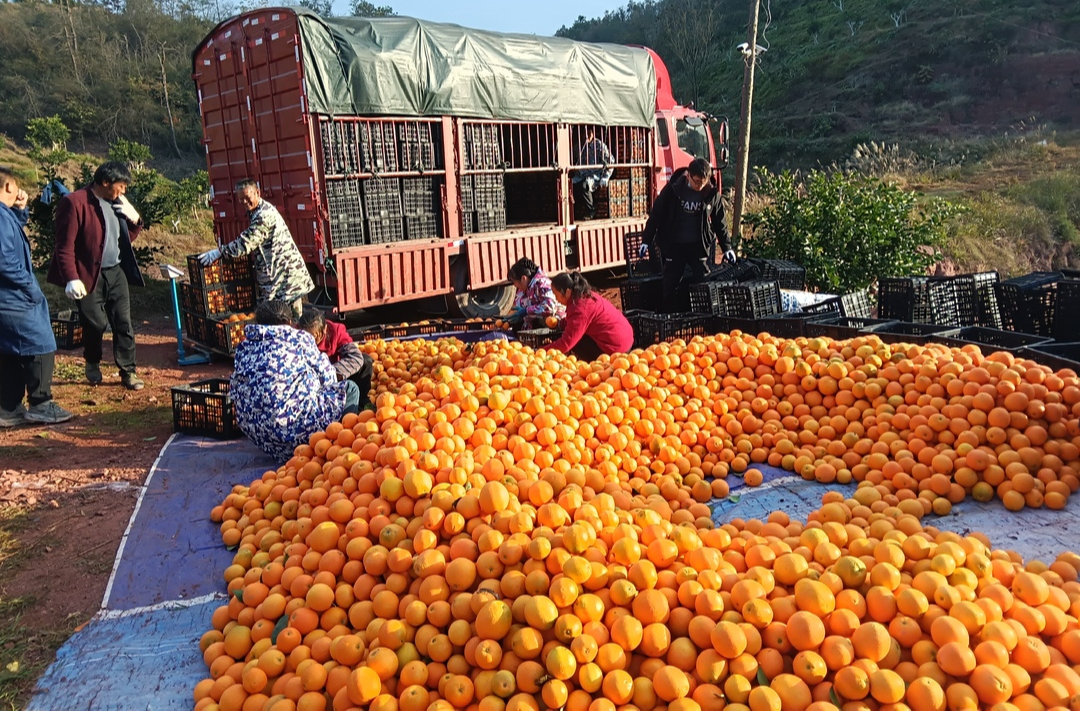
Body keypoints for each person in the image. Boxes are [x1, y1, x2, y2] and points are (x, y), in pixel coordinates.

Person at [48, 161, 146, 390]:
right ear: (105, 182)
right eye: (121, 185)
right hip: (88, 273)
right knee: (95, 323)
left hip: (116, 271)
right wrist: (71, 277)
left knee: (123, 323)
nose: (123, 191)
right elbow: (64, 246)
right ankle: (92, 360)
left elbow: (123, 239)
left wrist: (136, 221)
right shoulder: (75, 203)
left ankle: (128, 371)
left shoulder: (117, 203)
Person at [230, 300, 359, 462]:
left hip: (263, 439)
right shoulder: (299, 339)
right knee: (350, 389)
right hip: (298, 438)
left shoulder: (243, 347)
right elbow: (329, 377)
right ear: (290, 322)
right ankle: (345, 445)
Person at [0, 167, 73, 426]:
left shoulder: (4, 215)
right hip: (14, 296)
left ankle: (8, 406)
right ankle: (41, 402)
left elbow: (10, 233)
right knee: (41, 342)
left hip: (6, 298)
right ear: (8, 186)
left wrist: (21, 210)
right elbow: (4, 259)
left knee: (8, 348)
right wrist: (29, 284)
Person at [198, 179, 314, 319]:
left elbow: (246, 243)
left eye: (247, 198)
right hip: (275, 277)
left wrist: (220, 252)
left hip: (286, 279)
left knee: (288, 320)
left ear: (257, 193)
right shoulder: (255, 212)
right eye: (241, 199)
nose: (244, 202)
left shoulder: (264, 215)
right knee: (276, 317)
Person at [641, 158, 735, 313]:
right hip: (675, 245)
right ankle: (669, 316)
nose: (699, 186)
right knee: (670, 284)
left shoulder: (711, 193)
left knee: (703, 281)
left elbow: (720, 221)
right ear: (688, 175)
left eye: (703, 183)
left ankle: (703, 316)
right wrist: (646, 240)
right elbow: (657, 214)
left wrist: (727, 247)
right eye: (696, 182)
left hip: (698, 245)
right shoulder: (673, 189)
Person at [297, 307, 374, 408]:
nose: (312, 342)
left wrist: (330, 373)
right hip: (310, 380)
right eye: (308, 338)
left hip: (336, 373)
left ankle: (362, 400)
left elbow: (355, 357)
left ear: (325, 329)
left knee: (365, 361)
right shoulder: (295, 337)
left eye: (315, 337)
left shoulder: (336, 331)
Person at [547, 271, 634, 360]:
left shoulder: (579, 308)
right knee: (576, 334)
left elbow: (566, 343)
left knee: (576, 342)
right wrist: (560, 323)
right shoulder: (584, 295)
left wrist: (542, 351)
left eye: (556, 295)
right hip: (625, 339)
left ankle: (593, 364)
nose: (556, 299)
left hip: (617, 349)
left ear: (568, 292)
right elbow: (575, 322)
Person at [504, 257, 565, 329]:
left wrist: (526, 311)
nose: (515, 286)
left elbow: (548, 308)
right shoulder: (524, 289)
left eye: (515, 283)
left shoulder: (543, 284)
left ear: (523, 279)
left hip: (553, 325)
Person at [572, 129, 615, 220]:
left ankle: (591, 209)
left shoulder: (599, 145)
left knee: (585, 185)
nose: (586, 136)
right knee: (570, 184)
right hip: (581, 173)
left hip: (595, 175)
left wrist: (606, 177)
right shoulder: (578, 146)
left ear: (593, 133)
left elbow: (610, 161)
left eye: (588, 133)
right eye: (584, 133)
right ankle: (573, 212)